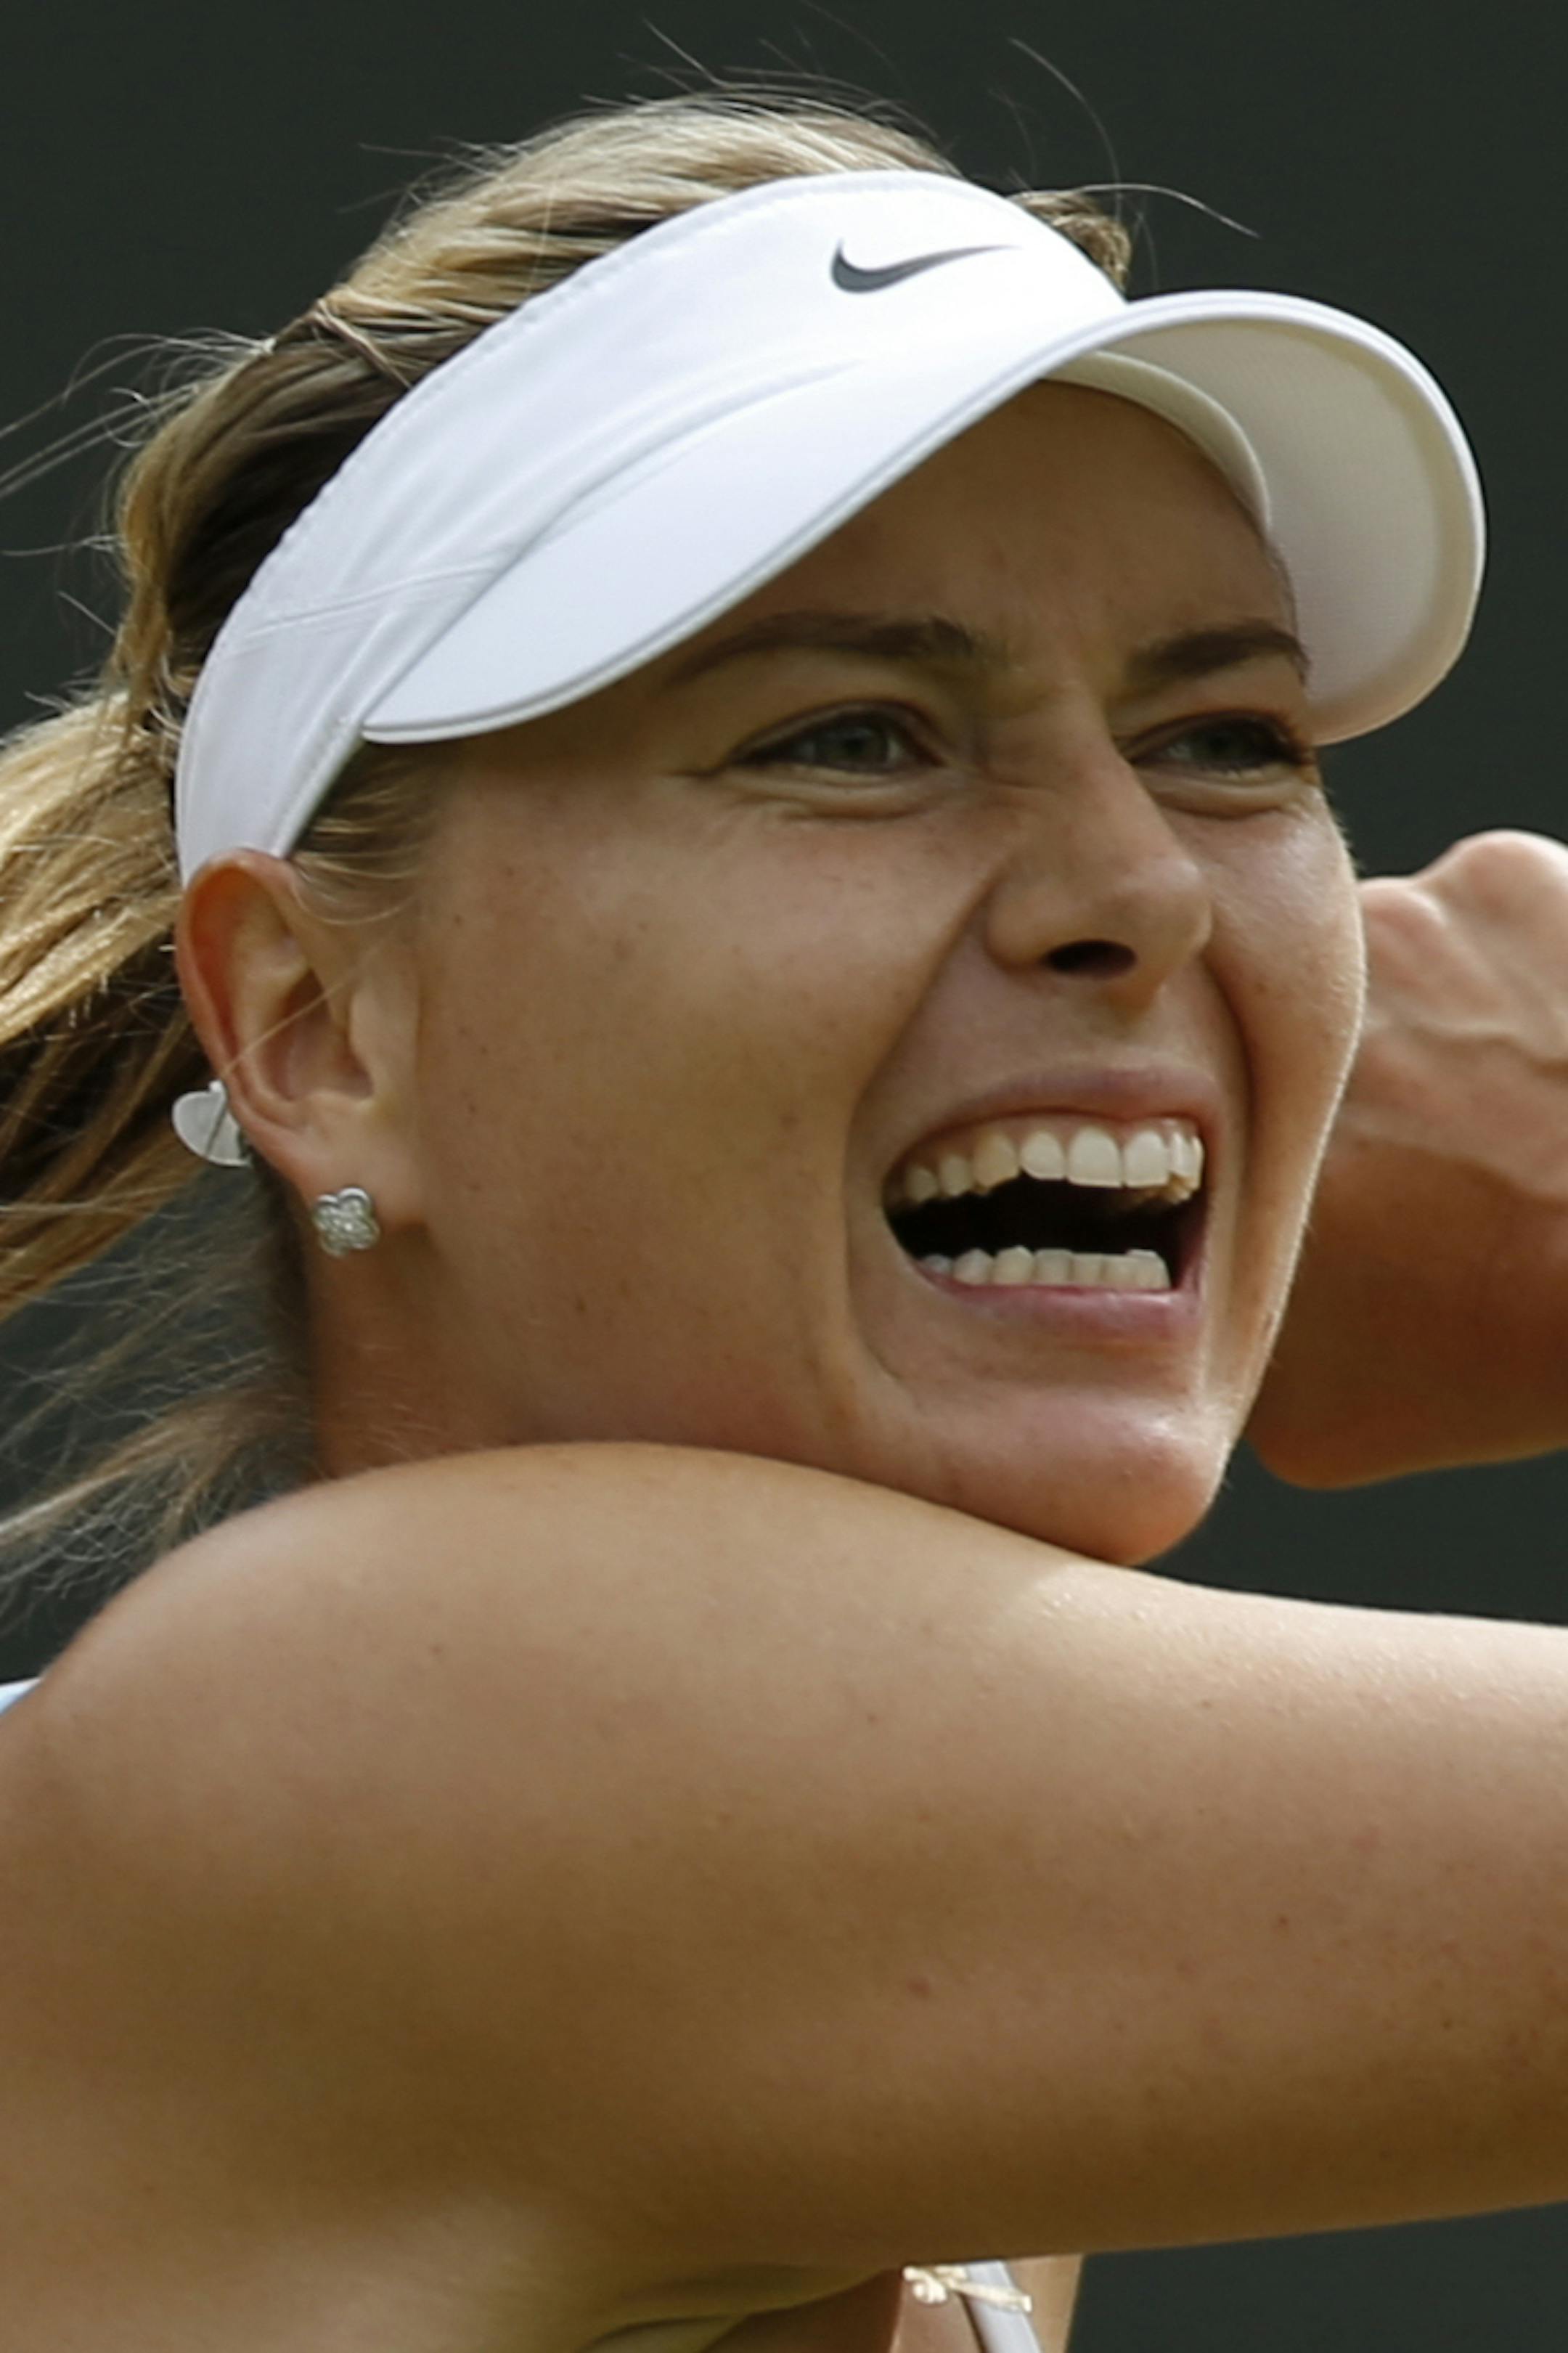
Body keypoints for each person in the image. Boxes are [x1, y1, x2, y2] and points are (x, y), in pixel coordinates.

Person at [1, 88, 1567, 2353]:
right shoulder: (418, 1743)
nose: (1136, 885)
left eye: (1228, 737)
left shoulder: (912, 2105)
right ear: (319, 1025)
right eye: (850, 738)